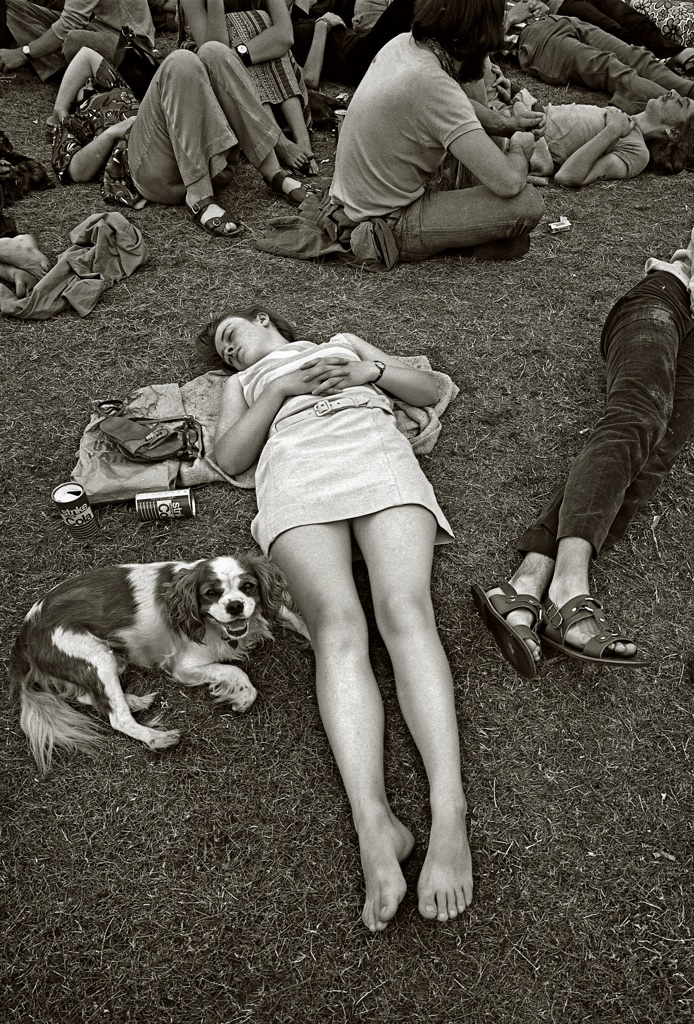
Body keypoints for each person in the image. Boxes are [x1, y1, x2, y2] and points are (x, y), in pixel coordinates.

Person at [201, 304, 473, 932]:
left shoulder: (342, 341)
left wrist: (368, 371)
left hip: (372, 450)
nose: (230, 352)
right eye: (223, 351)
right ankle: (374, 824)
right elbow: (232, 457)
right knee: (337, 632)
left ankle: (449, 810)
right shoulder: (242, 385)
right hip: (295, 471)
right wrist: (278, 389)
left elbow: (431, 389)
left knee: (406, 611)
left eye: (231, 336)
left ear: (265, 319)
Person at [471, 233, 694, 677]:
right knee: (639, 411)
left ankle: (525, 583)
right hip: (666, 299)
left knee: (653, 456)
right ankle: (569, 585)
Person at [328, 0, 545, 265]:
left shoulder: (403, 44)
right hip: (387, 220)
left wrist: (505, 124)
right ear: (478, 35)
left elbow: (456, 106)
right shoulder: (433, 85)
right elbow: (509, 181)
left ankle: (463, 239)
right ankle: (451, 243)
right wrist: (521, 147)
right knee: (527, 205)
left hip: (353, 202)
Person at [48, 44, 317, 236]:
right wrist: (64, 112)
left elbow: (85, 55)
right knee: (180, 61)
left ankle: (274, 173)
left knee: (214, 52)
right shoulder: (73, 123)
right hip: (146, 169)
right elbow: (77, 171)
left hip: (205, 158)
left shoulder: (116, 88)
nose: (84, 85)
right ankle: (200, 197)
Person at [180, 0, 317, 174]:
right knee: (240, 25)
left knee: (261, 23)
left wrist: (240, 54)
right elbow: (214, 52)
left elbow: (285, 35)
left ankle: (303, 139)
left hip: (263, 68)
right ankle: (278, 141)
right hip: (216, 74)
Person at [504, 1, 694, 114]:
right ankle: (681, 116)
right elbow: (477, 49)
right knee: (610, 68)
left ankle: (690, 91)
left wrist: (540, 7)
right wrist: (511, 17)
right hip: (533, 39)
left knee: (633, 55)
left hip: (558, 19)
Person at [524, 91, 694, 186]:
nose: (673, 93)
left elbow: (567, 176)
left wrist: (612, 130)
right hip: (523, 117)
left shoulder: (638, 152)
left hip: (527, 141)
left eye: (680, 103)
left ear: (674, 132)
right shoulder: (623, 118)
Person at [0, 0, 155, 81]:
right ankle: (57, 62)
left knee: (73, 39)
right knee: (13, 7)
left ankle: (65, 69)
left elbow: (69, 24)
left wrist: (22, 54)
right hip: (96, 27)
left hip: (132, 47)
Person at [549, 0, 694, 69]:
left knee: (630, 17)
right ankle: (648, 58)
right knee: (608, 25)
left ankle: (679, 52)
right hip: (560, 3)